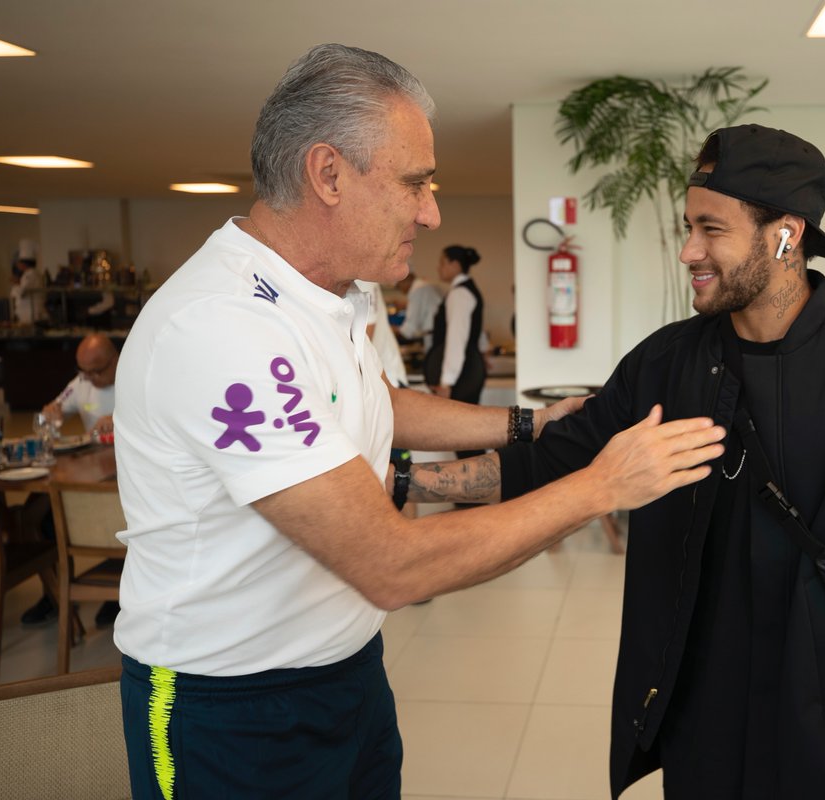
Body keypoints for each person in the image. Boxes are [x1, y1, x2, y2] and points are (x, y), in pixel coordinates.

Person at [111, 43, 724, 800]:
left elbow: (376, 403)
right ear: (328, 174)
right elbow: (392, 564)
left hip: (349, 668)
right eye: (415, 183)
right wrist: (602, 486)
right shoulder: (221, 329)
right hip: (231, 704)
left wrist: (528, 424)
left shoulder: (341, 291)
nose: (432, 212)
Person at [480, 125, 825, 799]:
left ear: (785, 235)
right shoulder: (667, 361)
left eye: (711, 229)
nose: (687, 250)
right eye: (687, 226)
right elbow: (552, 460)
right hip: (701, 726)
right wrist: (404, 479)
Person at [20, 333, 121, 628]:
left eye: (97, 370)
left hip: (125, 476)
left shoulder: (136, 377)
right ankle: (53, 593)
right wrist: (50, 415)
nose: (89, 378)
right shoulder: (82, 384)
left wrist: (123, 417)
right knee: (39, 517)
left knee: (114, 522)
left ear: (115, 360)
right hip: (90, 472)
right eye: (83, 371)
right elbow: (52, 411)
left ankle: (117, 595)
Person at [424, 245, 486, 459]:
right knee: (467, 437)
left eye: (442, 262)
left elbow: (456, 339)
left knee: (466, 438)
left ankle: (483, 489)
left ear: (455, 265)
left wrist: (446, 382)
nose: (438, 267)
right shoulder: (465, 290)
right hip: (468, 371)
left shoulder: (460, 294)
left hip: (462, 376)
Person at [394, 268, 443, 345]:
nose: (400, 290)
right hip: (438, 332)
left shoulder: (417, 291)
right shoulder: (424, 286)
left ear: (405, 280)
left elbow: (410, 327)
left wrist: (394, 330)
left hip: (433, 335)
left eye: (399, 286)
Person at [10, 257, 46, 324]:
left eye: (19, 263)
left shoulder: (30, 274)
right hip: (28, 310)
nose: (18, 266)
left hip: (30, 310)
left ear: (24, 264)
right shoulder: (31, 273)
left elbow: (22, 292)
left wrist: (16, 284)